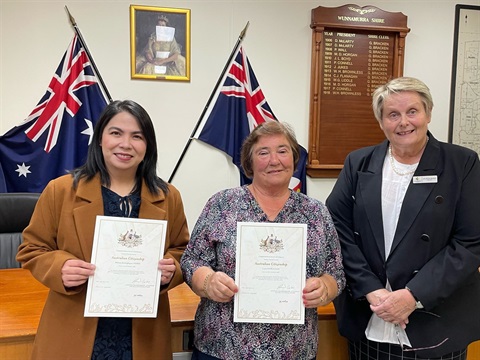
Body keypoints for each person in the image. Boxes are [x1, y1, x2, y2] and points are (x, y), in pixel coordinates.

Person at [16, 100, 190, 359]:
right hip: (74, 326)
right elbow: (31, 249)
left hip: (142, 331)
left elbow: (182, 250)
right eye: (116, 133)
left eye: (137, 136)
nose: (125, 144)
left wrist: (171, 270)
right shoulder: (61, 190)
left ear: (148, 146)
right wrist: (60, 267)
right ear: (100, 139)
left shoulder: (168, 196)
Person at [326, 77, 480, 359]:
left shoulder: (462, 163)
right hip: (371, 317)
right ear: (381, 121)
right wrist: (370, 288)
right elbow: (337, 229)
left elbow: (470, 242)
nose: (403, 122)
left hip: (435, 322)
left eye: (412, 111)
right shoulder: (358, 163)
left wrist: (413, 295)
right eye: (393, 114)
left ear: (428, 113)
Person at [180, 121, 345, 359]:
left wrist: (325, 288)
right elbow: (191, 261)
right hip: (222, 347)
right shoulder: (223, 204)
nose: (274, 160)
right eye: (263, 153)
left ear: (294, 158)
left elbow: (336, 271)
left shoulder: (315, 212)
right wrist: (208, 282)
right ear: (249, 162)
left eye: (282, 150)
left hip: (294, 349)